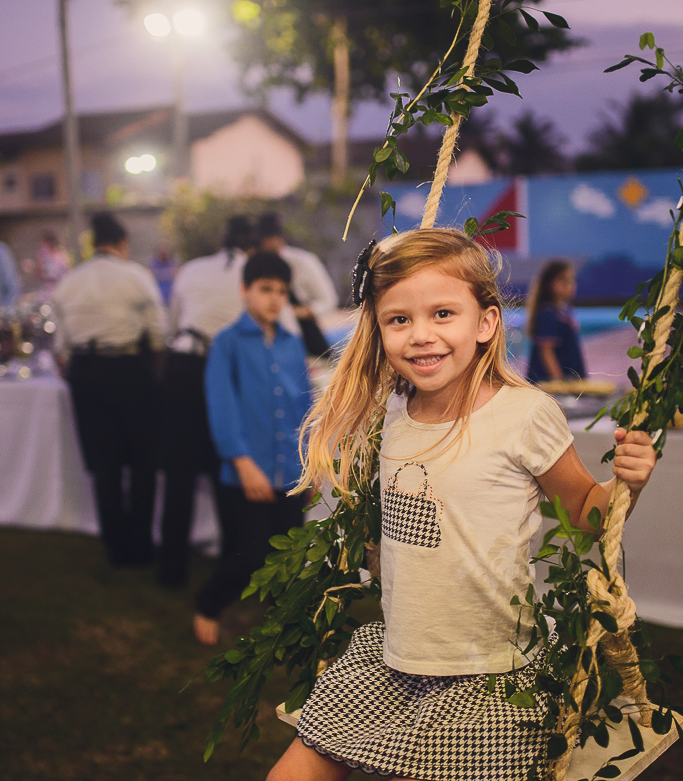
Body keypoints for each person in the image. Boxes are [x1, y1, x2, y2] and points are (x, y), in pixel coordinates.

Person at [268, 229, 657, 781]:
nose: (421, 335)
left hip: (488, 673)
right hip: (395, 660)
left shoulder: (523, 414)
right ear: (378, 331)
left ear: (486, 323)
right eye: (399, 319)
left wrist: (627, 486)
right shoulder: (394, 410)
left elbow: (583, 514)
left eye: (443, 313)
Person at [193, 251, 312, 645]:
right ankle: (209, 603)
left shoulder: (293, 344)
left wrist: (309, 462)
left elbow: (303, 408)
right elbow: (221, 406)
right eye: (265, 289)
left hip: (289, 471)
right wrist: (242, 462)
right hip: (247, 471)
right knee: (250, 555)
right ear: (245, 290)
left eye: (281, 291)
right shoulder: (227, 343)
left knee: (289, 553)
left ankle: (283, 623)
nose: (275, 298)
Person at [51, 213, 165, 567]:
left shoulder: (68, 282)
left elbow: (60, 348)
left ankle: (116, 547)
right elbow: (160, 335)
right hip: (129, 369)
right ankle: (141, 545)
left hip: (86, 371)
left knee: (105, 464)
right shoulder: (136, 276)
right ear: (122, 244)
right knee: (143, 463)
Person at [155, 217, 252, 589]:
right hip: (228, 367)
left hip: (185, 364)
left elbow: (173, 324)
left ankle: (171, 571)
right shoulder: (253, 272)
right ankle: (233, 568)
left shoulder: (192, 269)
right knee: (227, 469)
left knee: (179, 475)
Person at [256, 213, 338, 346]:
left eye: (272, 239)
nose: (268, 245)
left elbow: (329, 300)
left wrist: (302, 312)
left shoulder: (303, 262)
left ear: (281, 239)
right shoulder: (256, 266)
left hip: (305, 333)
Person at [525, 260, 586, 383]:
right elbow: (546, 351)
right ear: (553, 284)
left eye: (572, 281)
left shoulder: (564, 311)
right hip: (549, 386)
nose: (572, 285)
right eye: (567, 281)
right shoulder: (547, 314)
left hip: (568, 382)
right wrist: (559, 382)